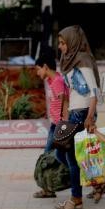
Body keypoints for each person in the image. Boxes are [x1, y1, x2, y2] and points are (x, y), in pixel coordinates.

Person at [54, 25, 100, 209]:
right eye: (60, 43)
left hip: (82, 112)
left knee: (72, 157)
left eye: (63, 43)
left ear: (72, 42)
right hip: (74, 112)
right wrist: (66, 110)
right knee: (62, 153)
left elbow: (94, 92)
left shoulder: (83, 60)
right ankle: (94, 184)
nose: (60, 47)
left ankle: (76, 198)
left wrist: (90, 117)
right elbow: (72, 90)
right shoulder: (69, 61)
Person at [33, 51, 67, 199]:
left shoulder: (58, 81)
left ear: (45, 67)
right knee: (48, 156)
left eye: (38, 69)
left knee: (50, 156)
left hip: (60, 126)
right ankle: (48, 188)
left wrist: (63, 126)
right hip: (55, 125)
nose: (37, 73)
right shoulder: (51, 80)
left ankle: (48, 189)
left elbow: (65, 102)